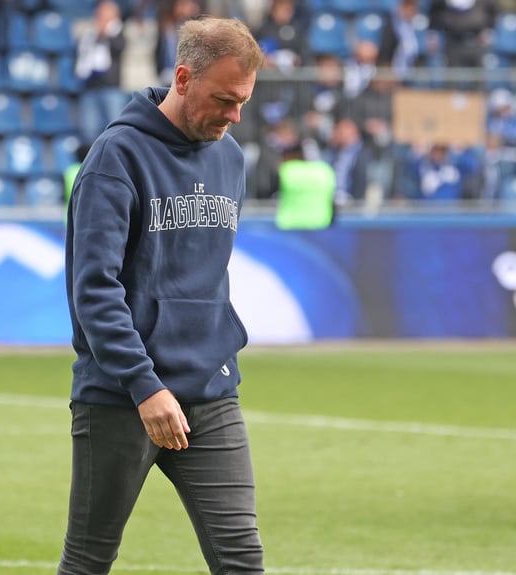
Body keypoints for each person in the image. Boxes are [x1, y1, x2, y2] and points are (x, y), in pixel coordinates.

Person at [60, 17, 265, 575]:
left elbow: (206, 275)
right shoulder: (115, 158)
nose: (234, 116)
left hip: (210, 392)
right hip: (122, 398)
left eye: (243, 102)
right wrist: (145, 387)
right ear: (182, 77)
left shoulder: (231, 159)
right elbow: (94, 291)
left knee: (242, 560)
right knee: (88, 560)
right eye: (224, 99)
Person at [73, 1, 129, 144]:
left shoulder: (118, 32)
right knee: (89, 130)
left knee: (115, 127)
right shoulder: (89, 34)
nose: (101, 17)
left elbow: (119, 49)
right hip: (90, 87)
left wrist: (107, 34)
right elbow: (80, 57)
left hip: (112, 88)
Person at [275, 142, 336, 229]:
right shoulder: (325, 171)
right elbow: (331, 200)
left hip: (290, 225)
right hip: (321, 223)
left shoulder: (287, 170)